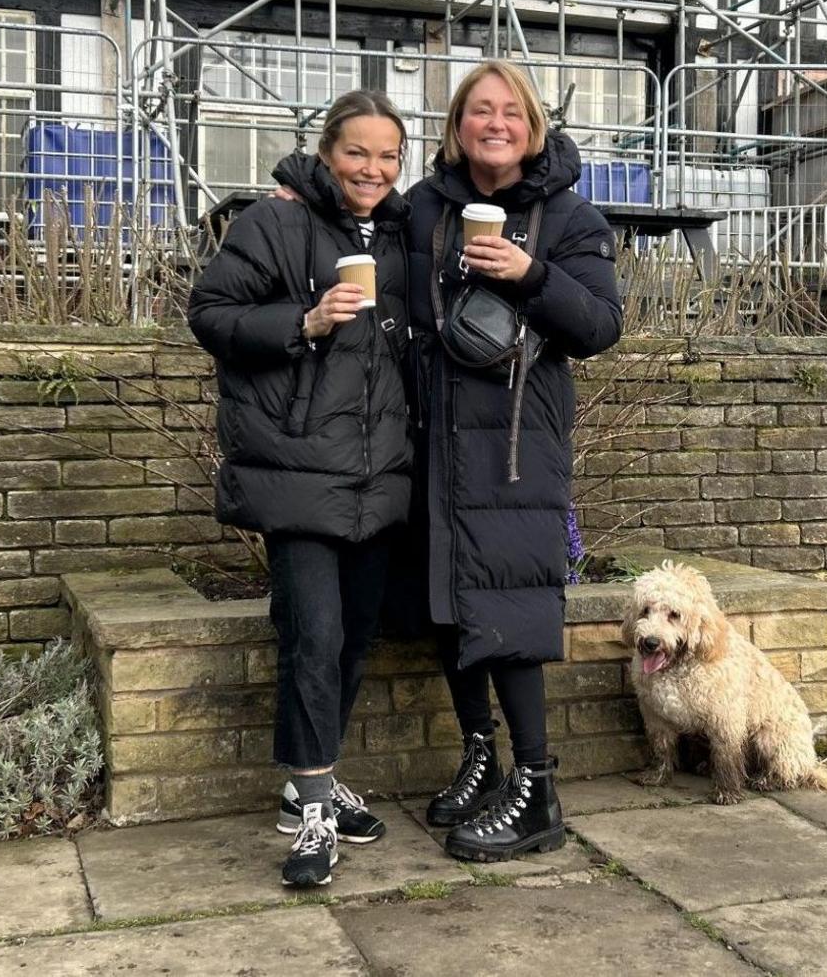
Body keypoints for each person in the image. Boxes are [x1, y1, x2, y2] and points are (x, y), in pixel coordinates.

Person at [186, 90, 414, 889]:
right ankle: (315, 813)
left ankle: (307, 781)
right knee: (312, 635)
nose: (373, 168)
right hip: (293, 471)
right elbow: (209, 312)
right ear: (326, 151)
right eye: (358, 151)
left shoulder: (401, 233)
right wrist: (304, 322)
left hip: (376, 475)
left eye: (389, 155)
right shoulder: (273, 223)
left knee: (352, 639)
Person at [407, 61, 624, 861]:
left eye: (510, 112)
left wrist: (531, 275)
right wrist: (299, 197)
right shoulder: (427, 206)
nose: (493, 123)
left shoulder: (567, 214)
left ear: (531, 126)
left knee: (511, 604)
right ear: (458, 124)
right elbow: (359, 241)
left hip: (513, 445)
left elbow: (602, 325)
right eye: (478, 111)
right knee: (448, 601)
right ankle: (480, 756)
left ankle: (536, 789)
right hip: (432, 434)